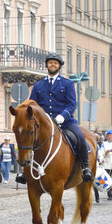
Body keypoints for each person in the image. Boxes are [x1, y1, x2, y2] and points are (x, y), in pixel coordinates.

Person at [29, 53, 93, 182]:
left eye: (55, 63)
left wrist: (62, 117)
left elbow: (71, 104)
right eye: (50, 62)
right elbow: (32, 104)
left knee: (80, 137)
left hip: (64, 121)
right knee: (27, 139)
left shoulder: (67, 84)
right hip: (43, 123)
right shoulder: (38, 85)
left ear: (59, 66)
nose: (52, 64)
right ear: (47, 65)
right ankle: (25, 171)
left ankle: (85, 167)